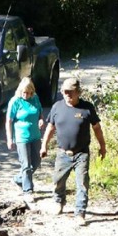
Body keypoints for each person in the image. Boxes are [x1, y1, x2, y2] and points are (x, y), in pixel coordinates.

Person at [40, 76, 106, 225]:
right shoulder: (57, 106)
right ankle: (59, 202)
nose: (67, 95)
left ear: (78, 92)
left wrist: (102, 146)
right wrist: (44, 146)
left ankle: (80, 212)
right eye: (65, 92)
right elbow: (50, 127)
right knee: (58, 181)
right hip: (63, 153)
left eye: (70, 92)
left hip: (81, 153)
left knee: (82, 183)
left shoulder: (87, 108)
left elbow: (97, 128)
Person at [5, 77, 45, 197]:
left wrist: (41, 120)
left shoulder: (35, 98)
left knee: (36, 162)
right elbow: (9, 121)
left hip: (35, 135)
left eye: (28, 93)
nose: (26, 95)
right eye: (24, 92)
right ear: (20, 90)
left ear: (32, 92)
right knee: (26, 165)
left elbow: (40, 112)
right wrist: (9, 139)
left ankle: (18, 179)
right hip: (21, 137)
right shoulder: (15, 101)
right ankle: (28, 190)